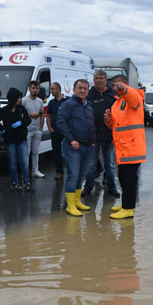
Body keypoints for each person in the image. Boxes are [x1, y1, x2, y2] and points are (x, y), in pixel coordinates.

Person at [105, 75, 147, 219]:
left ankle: (128, 209)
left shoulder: (135, 97)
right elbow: (116, 125)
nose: (116, 88)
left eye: (119, 85)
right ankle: (125, 204)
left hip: (132, 148)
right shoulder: (116, 104)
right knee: (123, 178)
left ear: (126, 85)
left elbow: (133, 98)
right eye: (114, 86)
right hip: (122, 149)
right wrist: (108, 120)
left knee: (129, 180)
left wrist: (124, 89)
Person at [56, 79, 96, 216]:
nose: (83, 90)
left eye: (85, 88)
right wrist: (71, 140)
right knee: (73, 176)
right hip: (73, 146)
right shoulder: (68, 105)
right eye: (80, 88)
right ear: (74, 90)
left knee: (81, 175)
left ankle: (77, 201)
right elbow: (60, 123)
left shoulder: (88, 106)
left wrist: (93, 141)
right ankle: (70, 205)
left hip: (88, 146)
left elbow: (92, 125)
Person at [84, 70, 120, 197]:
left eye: (100, 78)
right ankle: (88, 188)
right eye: (96, 78)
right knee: (92, 164)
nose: (98, 80)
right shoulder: (89, 94)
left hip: (109, 135)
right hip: (93, 136)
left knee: (109, 163)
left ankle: (112, 188)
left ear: (106, 80)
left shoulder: (112, 94)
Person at [0, 87, 33, 192]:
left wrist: (21, 122)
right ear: (13, 98)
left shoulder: (22, 109)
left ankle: (26, 183)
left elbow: (28, 120)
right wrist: (2, 129)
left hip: (21, 139)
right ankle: (14, 183)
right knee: (13, 162)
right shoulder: (4, 110)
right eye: (18, 98)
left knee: (24, 162)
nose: (20, 99)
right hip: (10, 141)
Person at [22, 81, 46, 178]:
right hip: (27, 129)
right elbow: (21, 114)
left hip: (37, 129)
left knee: (36, 151)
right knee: (27, 151)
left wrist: (40, 128)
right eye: (33, 88)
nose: (35, 90)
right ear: (29, 89)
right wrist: (30, 115)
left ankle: (35, 170)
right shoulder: (24, 100)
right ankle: (25, 171)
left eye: (37, 88)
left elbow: (42, 115)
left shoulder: (40, 101)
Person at [46, 82, 67, 180]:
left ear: (58, 89)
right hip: (55, 131)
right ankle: (59, 171)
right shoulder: (51, 103)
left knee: (68, 151)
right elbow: (48, 116)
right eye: (50, 89)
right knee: (56, 152)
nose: (51, 91)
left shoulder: (67, 101)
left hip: (66, 131)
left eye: (52, 89)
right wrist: (50, 128)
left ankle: (72, 170)